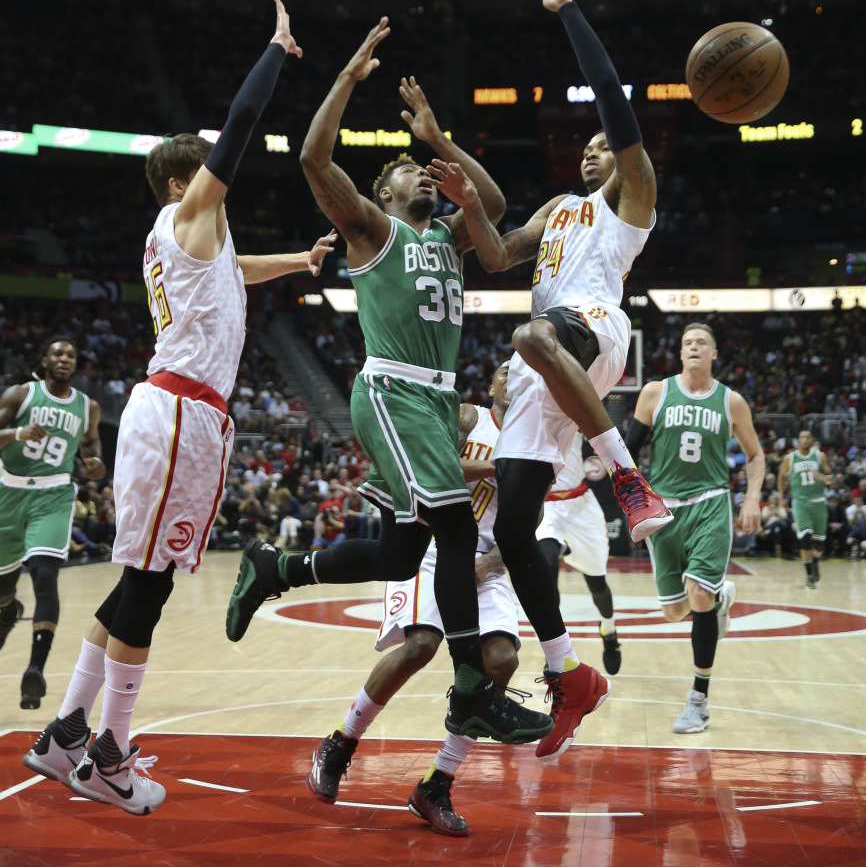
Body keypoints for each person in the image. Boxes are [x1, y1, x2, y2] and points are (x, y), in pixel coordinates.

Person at [23, 0, 336, 816]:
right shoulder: (186, 213)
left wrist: (300, 260)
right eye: (202, 168)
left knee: (134, 584)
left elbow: (242, 271)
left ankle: (64, 735)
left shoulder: (208, 246)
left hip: (182, 416)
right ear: (176, 181)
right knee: (152, 590)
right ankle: (110, 757)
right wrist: (273, 52)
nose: (219, 176)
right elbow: (237, 125)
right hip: (177, 417)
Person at [226, 20, 553, 749]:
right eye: (409, 166)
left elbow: (493, 209)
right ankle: (472, 687)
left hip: (436, 399)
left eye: (420, 165)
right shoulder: (373, 228)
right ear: (385, 188)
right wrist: (347, 76)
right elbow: (315, 158)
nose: (419, 171)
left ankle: (275, 566)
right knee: (460, 524)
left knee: (402, 554)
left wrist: (441, 145)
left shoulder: (446, 236)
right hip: (392, 391)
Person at [422, 0, 671, 759]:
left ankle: (626, 478)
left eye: (607, 143)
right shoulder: (559, 206)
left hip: (589, 329)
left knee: (529, 334)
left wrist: (567, 11)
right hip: (543, 365)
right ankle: (569, 674)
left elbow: (617, 111)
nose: (598, 151)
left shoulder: (629, 201)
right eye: (591, 148)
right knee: (520, 524)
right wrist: (461, 189)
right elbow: (494, 257)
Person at [307, 362, 517, 837]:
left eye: (522, 370)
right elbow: (433, 467)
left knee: (501, 660)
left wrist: (491, 564)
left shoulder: (537, 441)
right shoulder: (467, 417)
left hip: (484, 558)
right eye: (504, 368)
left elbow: (528, 522)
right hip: (431, 546)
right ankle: (340, 743)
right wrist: (498, 467)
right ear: (491, 384)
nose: (513, 374)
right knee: (420, 647)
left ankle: (436, 783)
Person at [626, 323, 765, 734]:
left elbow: (755, 457)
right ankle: (721, 601)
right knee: (674, 611)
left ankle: (698, 701)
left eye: (701, 342)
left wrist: (752, 499)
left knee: (698, 596)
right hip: (665, 511)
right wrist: (634, 498)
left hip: (710, 503)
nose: (694, 347)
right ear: (680, 352)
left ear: (714, 353)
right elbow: (628, 451)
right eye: (688, 342)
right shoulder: (656, 392)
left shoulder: (731, 402)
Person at [0, 337, 104, 710]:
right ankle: (7, 610)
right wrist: (16, 433)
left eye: (71, 355)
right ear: (44, 360)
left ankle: (35, 671)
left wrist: (95, 464)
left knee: (45, 576)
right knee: (3, 591)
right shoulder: (20, 395)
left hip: (54, 494)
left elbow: (92, 447)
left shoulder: (86, 406)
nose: (65, 359)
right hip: (8, 494)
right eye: (58, 353)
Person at [535, 433, 622, 676]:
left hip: (581, 504)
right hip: (546, 505)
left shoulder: (572, 405)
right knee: (546, 568)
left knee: (598, 585)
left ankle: (609, 630)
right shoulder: (528, 408)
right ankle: (555, 652)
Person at [777, 430, 833, 589]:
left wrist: (822, 478)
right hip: (800, 502)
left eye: (808, 437)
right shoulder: (790, 458)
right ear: (798, 440)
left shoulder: (820, 456)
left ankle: (815, 561)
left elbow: (832, 479)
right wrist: (782, 497)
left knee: (819, 545)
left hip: (819, 502)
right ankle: (809, 576)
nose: (805, 440)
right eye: (802, 437)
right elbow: (781, 476)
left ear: (812, 440)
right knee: (806, 537)